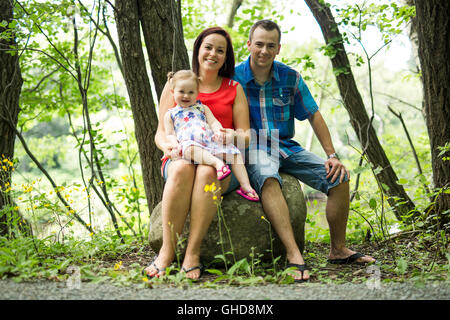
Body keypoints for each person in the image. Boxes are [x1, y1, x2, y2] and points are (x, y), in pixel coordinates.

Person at [233, 20, 376, 282]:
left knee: (339, 178)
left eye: (271, 45)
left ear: (278, 49)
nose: (264, 50)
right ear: (249, 44)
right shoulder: (233, 78)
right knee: (268, 177)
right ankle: (294, 255)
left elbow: (313, 115)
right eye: (259, 44)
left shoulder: (290, 77)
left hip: (286, 147)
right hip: (253, 147)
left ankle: (338, 250)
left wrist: (332, 155)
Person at [145, 27, 252, 280]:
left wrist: (230, 134)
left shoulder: (233, 88)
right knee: (183, 167)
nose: (213, 54)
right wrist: (167, 146)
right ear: (198, 50)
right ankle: (166, 253)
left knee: (206, 170)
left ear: (226, 57)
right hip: (180, 157)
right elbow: (160, 132)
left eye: (220, 50)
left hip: (220, 161)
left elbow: (246, 135)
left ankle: (192, 254)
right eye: (208, 47)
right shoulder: (176, 84)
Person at [164, 70, 259, 201]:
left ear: (197, 93)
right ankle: (217, 163)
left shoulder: (202, 108)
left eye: (191, 92)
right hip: (190, 144)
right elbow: (170, 134)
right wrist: (174, 145)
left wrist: (219, 131)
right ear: (172, 92)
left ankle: (246, 186)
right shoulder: (171, 114)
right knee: (189, 150)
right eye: (181, 92)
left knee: (234, 153)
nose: (186, 95)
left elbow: (214, 122)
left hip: (209, 141)